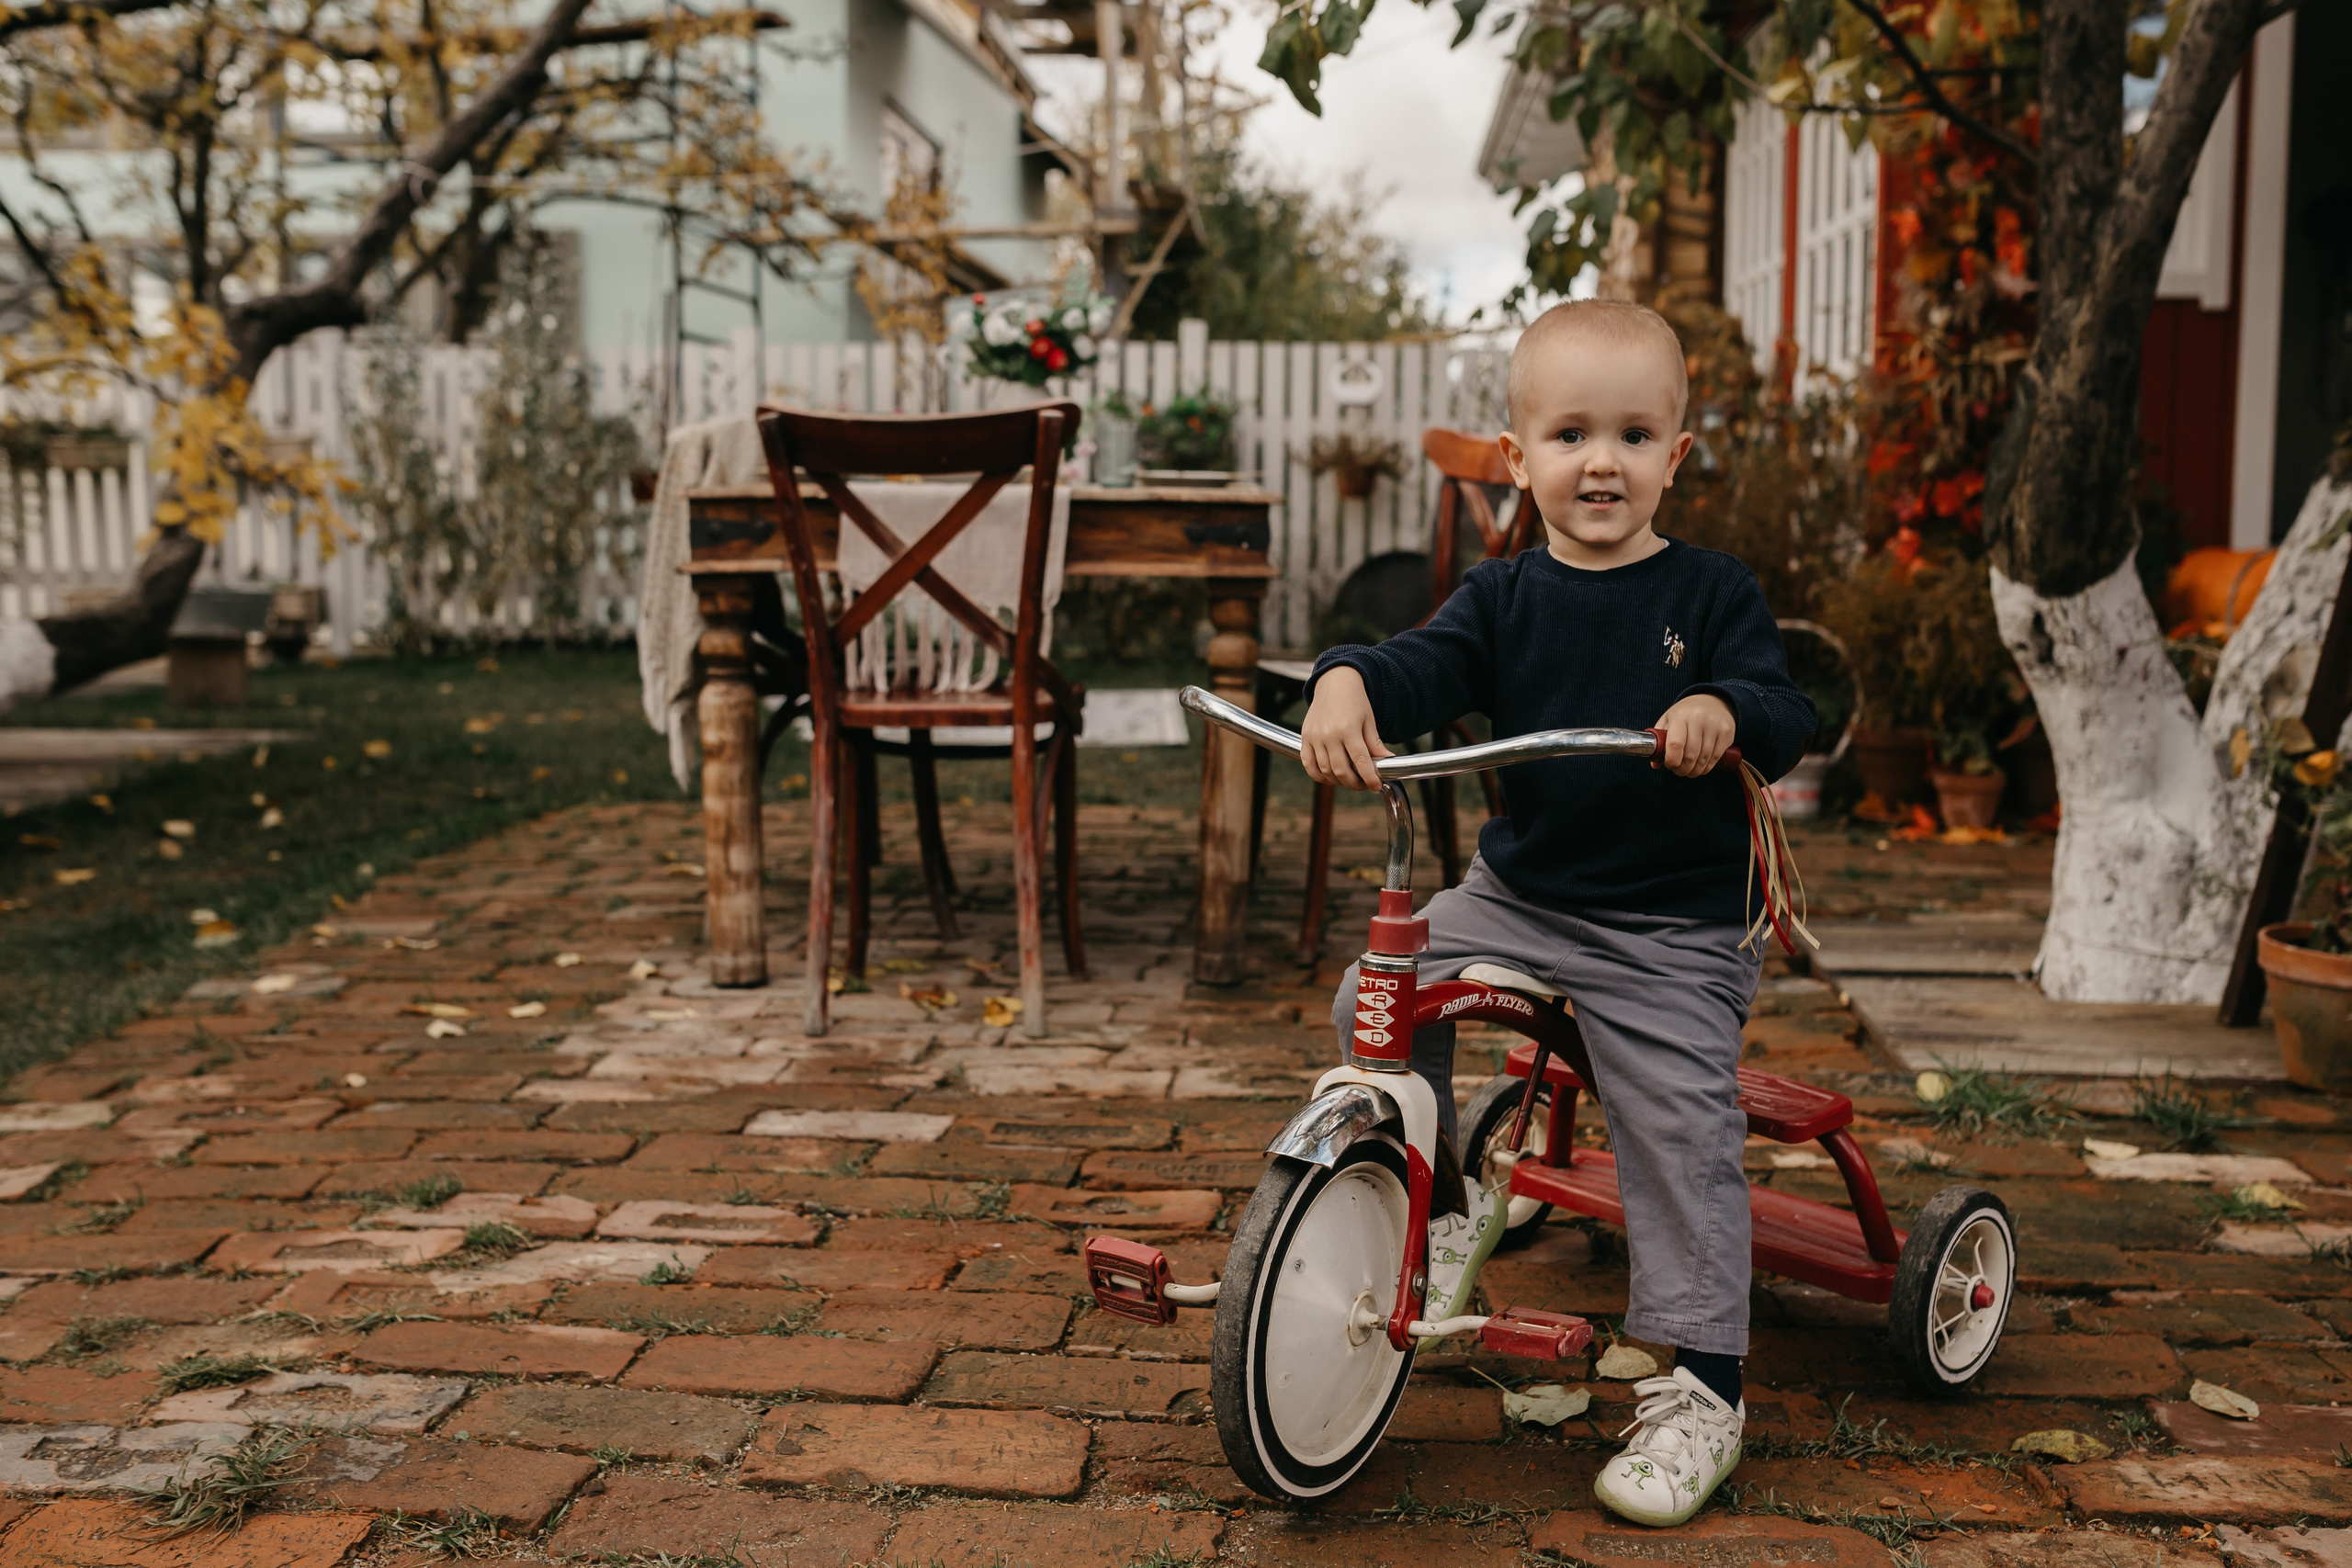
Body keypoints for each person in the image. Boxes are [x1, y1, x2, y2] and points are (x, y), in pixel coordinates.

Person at [1299, 299, 1815, 1529]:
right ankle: (1412, 1212)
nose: (1601, 462)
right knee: (1375, 997)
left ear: (1676, 457)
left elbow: (1783, 706)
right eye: (1570, 435)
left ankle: (1701, 1383)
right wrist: (1348, 678)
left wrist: (1726, 715)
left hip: (1670, 928)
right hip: (1520, 898)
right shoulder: (1504, 595)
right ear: (1518, 457)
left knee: (1681, 1130)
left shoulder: (1712, 591)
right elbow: (1423, 665)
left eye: (1634, 436)